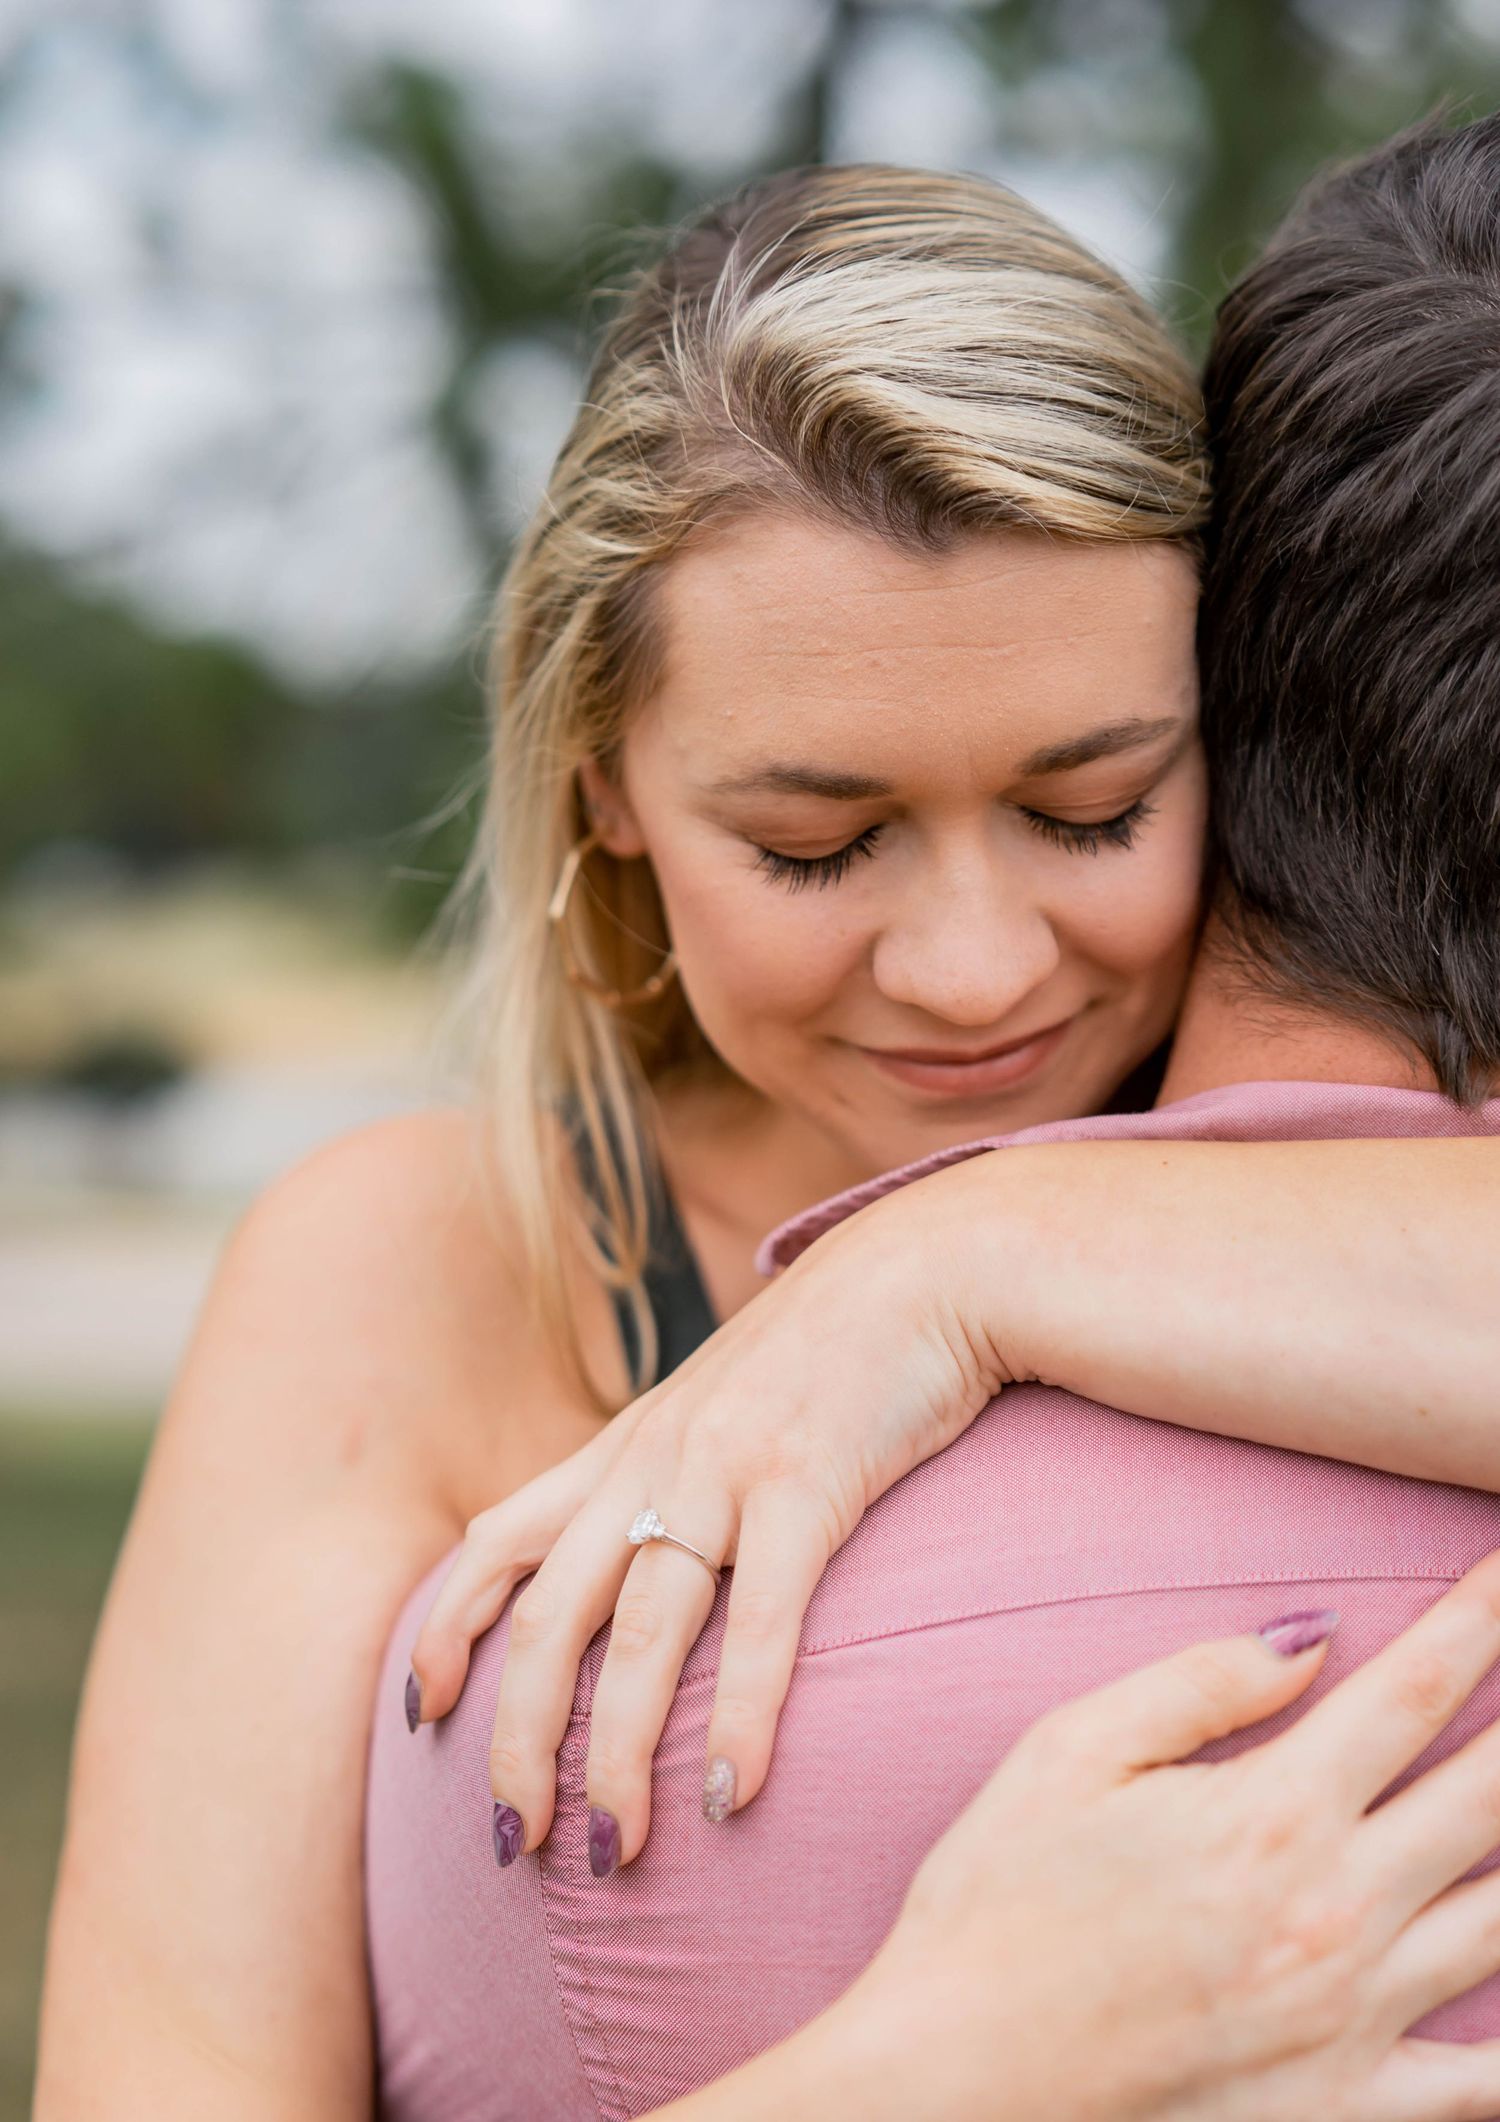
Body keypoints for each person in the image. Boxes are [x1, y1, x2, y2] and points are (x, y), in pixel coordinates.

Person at [32, 145, 1500, 2120]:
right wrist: (966, 2064)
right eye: (816, 843)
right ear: (607, 784)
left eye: (1094, 809)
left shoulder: (1356, 1171)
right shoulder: (414, 1273)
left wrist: (953, 1262)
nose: (978, 970)